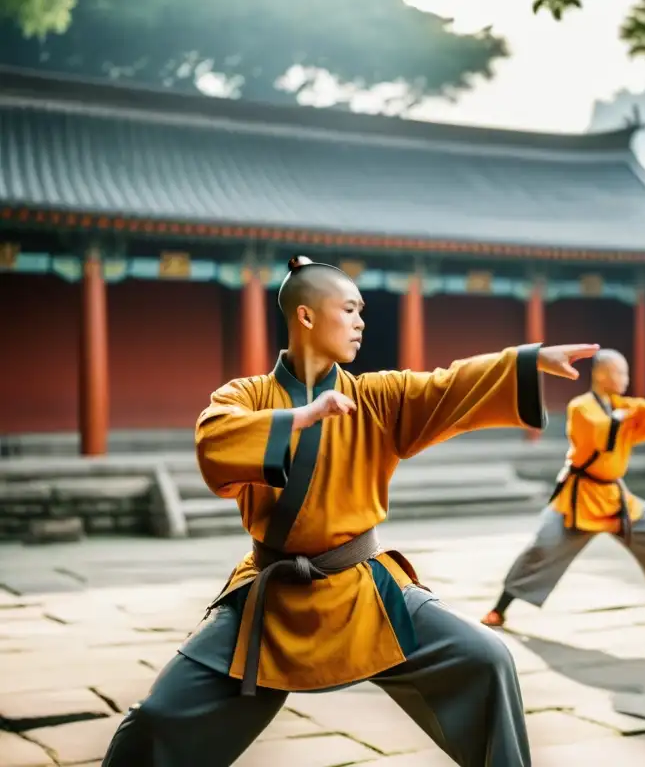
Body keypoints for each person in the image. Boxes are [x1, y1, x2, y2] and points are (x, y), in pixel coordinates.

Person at [100, 255, 600, 767]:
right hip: (271, 599)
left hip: (363, 589)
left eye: (363, 311)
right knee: (157, 718)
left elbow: (447, 384)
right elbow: (215, 443)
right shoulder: (245, 396)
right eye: (350, 309)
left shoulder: (376, 398)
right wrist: (300, 418)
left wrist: (525, 361)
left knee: (486, 659)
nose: (362, 321)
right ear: (307, 317)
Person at [481, 348, 645, 629]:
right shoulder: (581, 406)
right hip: (579, 497)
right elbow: (596, 434)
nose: (626, 379)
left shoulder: (620, 405)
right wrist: (621, 420)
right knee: (542, 548)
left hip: (614, 497)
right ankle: (500, 608)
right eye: (621, 372)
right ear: (600, 373)